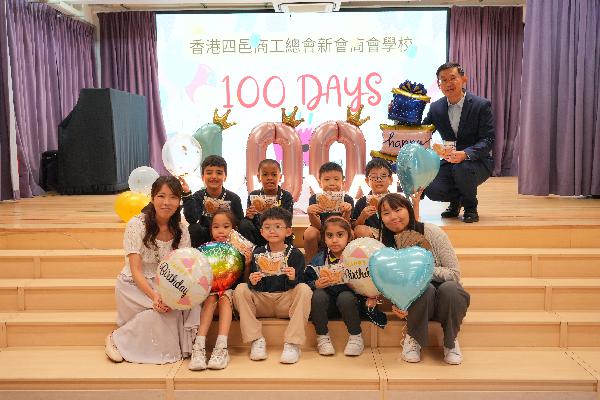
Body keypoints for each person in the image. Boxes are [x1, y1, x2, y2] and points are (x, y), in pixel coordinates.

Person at [105, 176, 200, 364]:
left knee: (188, 304)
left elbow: (182, 270)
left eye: (173, 197)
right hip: (135, 286)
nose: (166, 202)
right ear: (152, 198)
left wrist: (171, 295)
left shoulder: (181, 229)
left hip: (166, 284)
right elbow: (135, 271)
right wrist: (155, 297)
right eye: (161, 196)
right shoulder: (136, 225)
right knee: (161, 313)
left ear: (179, 201)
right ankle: (117, 338)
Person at [377, 193, 470, 365]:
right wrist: (396, 301)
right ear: (381, 218)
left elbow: (454, 273)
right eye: (386, 213)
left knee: (451, 288)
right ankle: (414, 338)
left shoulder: (432, 232)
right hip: (415, 303)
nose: (393, 217)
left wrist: (422, 270)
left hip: (444, 301)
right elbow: (386, 282)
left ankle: (450, 342)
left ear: (409, 210)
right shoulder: (383, 244)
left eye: (398, 210)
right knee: (425, 289)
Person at [233, 207, 312, 364]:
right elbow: (256, 287)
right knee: (241, 289)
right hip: (263, 301)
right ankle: (256, 340)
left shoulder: (295, 254)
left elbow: (299, 283)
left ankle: (292, 343)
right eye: (267, 227)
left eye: (278, 226)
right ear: (262, 232)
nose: (272, 231)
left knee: (304, 289)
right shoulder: (258, 252)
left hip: (286, 303)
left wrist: (293, 278)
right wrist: (254, 281)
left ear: (288, 231)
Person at [422, 62, 495, 223]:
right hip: (449, 161)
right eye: (444, 80)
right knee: (431, 188)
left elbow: (488, 139)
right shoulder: (436, 108)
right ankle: (456, 201)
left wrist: (466, 154)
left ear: (463, 79)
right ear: (439, 85)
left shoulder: (481, 105)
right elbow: (423, 132)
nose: (448, 83)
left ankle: (470, 207)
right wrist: (399, 118)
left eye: (453, 78)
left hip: (477, 161)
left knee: (462, 168)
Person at [188, 210, 252, 371]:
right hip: (209, 293)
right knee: (212, 298)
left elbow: (245, 281)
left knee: (224, 297)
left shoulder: (240, 250)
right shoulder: (206, 249)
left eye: (226, 226)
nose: (221, 231)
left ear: (234, 229)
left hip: (231, 293)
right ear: (210, 230)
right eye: (216, 227)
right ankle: (199, 347)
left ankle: (221, 348)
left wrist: (247, 264)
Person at [304, 216, 364, 356]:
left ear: (349, 237)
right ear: (324, 239)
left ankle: (356, 336)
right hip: (326, 307)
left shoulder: (357, 258)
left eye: (340, 235)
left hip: (350, 305)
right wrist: (315, 284)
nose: (334, 240)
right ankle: (322, 337)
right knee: (318, 295)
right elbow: (305, 282)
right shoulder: (318, 259)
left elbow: (366, 283)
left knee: (345, 296)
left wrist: (354, 283)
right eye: (329, 235)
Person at [181, 155, 244, 247]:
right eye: (209, 173)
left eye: (219, 173)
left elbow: (240, 223)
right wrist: (187, 195)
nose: (214, 176)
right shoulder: (198, 196)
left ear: (225, 177)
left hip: (227, 239)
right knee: (194, 228)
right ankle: (197, 253)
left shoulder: (234, 198)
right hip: (204, 238)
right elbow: (192, 219)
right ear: (203, 177)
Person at [304, 162, 354, 262]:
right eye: (327, 180)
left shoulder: (347, 199)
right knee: (310, 233)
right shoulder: (315, 199)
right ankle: (311, 266)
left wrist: (347, 212)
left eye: (336, 179)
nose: (332, 183)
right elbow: (317, 226)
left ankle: (348, 264)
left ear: (343, 182)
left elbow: (346, 225)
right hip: (321, 231)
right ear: (320, 183)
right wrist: (311, 213)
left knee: (352, 233)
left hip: (341, 230)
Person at [239, 159, 294, 247]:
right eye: (265, 174)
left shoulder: (286, 196)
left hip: (279, 233)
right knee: (244, 223)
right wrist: (249, 216)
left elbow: (288, 221)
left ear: (280, 177)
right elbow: (251, 222)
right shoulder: (254, 195)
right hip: (260, 233)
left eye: (274, 175)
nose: (269, 178)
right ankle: (253, 251)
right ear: (259, 177)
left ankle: (279, 249)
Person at [352, 158, 394, 238]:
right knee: (359, 229)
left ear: (390, 180)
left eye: (383, 176)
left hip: (393, 234)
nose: (379, 180)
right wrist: (362, 216)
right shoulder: (362, 202)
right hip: (372, 238)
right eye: (374, 176)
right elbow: (354, 227)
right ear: (367, 181)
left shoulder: (397, 200)